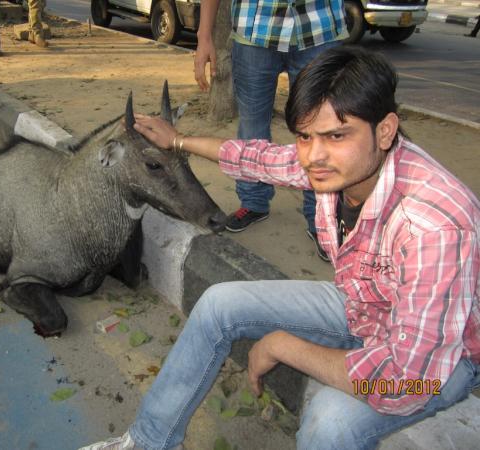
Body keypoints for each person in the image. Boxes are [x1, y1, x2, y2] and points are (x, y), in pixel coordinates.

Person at [79, 46, 480, 450]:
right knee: (219, 304)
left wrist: (284, 346)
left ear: (385, 131)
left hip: (441, 362)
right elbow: (260, 159)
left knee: (329, 423)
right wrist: (178, 141)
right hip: (365, 306)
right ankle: (149, 442)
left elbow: (405, 382)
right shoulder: (338, 165)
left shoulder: (435, 225)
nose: (314, 155)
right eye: (305, 136)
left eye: (336, 135)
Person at [194, 0, 347, 261]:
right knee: (252, 128)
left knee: (321, 130)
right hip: (254, 30)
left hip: (319, 28)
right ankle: (253, 202)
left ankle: (321, 217)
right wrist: (204, 35)